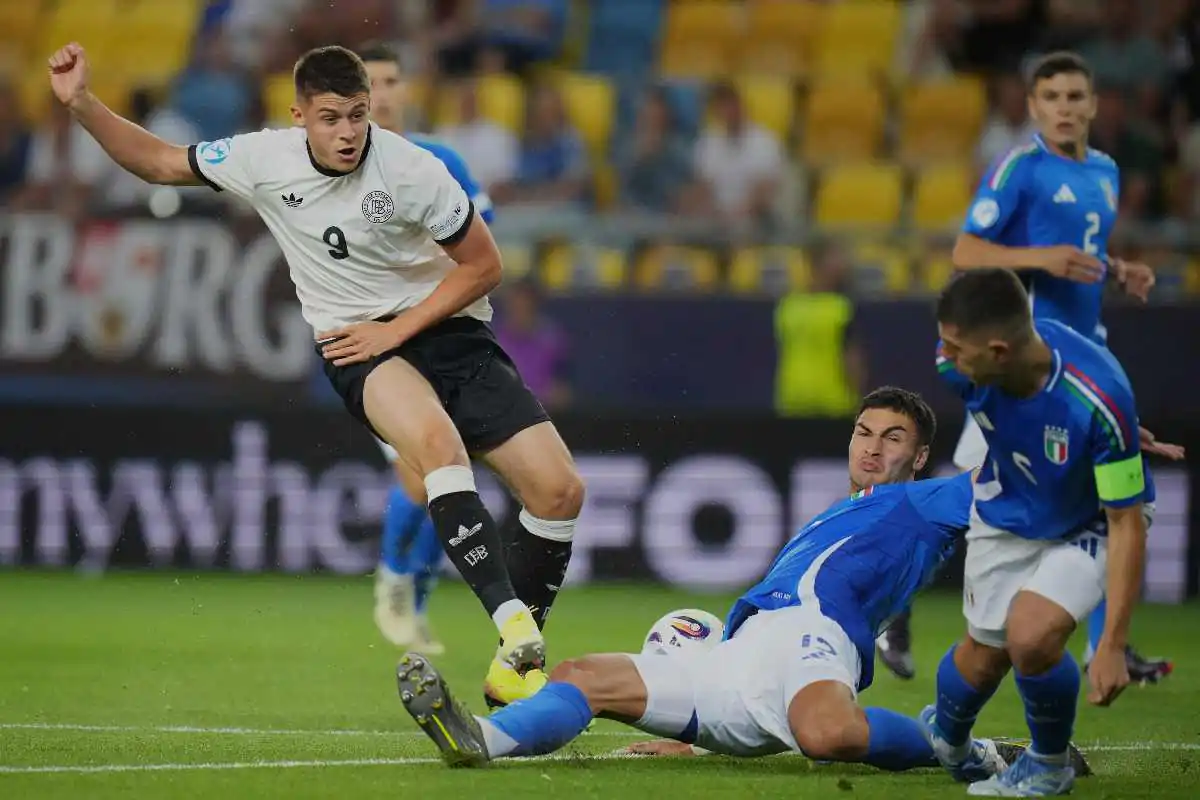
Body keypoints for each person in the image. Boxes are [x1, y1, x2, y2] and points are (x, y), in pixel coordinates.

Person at [45, 41, 585, 707]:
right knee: (436, 449)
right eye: (331, 118)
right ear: (299, 115)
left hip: (449, 333)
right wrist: (83, 105)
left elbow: (484, 266)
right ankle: (514, 626)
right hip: (361, 346)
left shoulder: (415, 170)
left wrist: (401, 326)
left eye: (358, 115)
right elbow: (158, 163)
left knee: (560, 492)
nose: (349, 132)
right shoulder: (262, 159)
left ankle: (512, 670)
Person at [393, 388, 1084, 776]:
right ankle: (479, 738)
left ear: (920, 455)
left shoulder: (925, 500)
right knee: (585, 674)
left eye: (893, 438)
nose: (873, 446)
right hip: (738, 656)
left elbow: (1013, 481)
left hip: (814, 641)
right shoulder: (844, 511)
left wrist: (1096, 443)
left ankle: (960, 748)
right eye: (864, 432)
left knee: (828, 736)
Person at [877, 51, 1180, 685]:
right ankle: (893, 609)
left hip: (1075, 361)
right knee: (959, 497)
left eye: (1076, 96)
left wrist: (1117, 270)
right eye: (1053, 98)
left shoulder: (1105, 170)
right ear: (1034, 107)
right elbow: (966, 250)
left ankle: (1108, 645)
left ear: (1093, 105)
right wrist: (1044, 257)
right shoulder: (1019, 169)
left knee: (1099, 493)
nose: (1066, 108)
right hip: (1016, 366)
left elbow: (1082, 252)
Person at [925, 268, 1150, 796]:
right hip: (1007, 514)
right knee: (981, 660)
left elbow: (1126, 522)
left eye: (958, 348)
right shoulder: (958, 366)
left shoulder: (1097, 397)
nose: (945, 357)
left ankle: (1048, 764)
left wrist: (1112, 643)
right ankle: (953, 740)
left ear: (1000, 351)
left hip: (1088, 520)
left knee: (1032, 635)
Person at [357, 43, 497, 656]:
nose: (382, 93)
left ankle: (413, 602)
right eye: (370, 83)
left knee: (452, 476)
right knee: (421, 473)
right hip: (385, 345)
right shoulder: (338, 169)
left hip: (445, 337)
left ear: (405, 89)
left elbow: (480, 248)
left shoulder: (442, 161)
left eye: (391, 80)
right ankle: (392, 581)